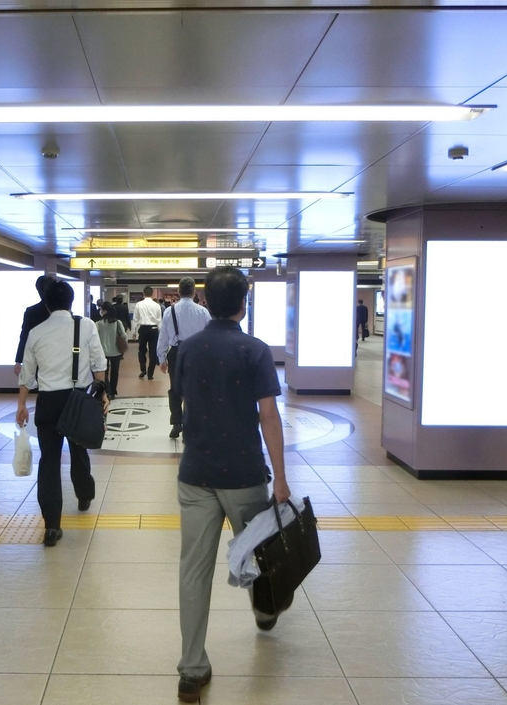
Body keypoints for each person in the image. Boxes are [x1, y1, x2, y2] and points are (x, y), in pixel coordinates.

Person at [172, 267, 290, 704]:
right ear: (245, 302)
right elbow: (269, 417)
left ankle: (191, 669)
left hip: (196, 474)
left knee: (193, 569)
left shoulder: (188, 349)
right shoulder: (254, 350)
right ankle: (263, 609)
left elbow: (185, 398)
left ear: (205, 300)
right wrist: (280, 477)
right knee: (259, 553)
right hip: (243, 475)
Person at [16, 281, 108, 547]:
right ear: (70, 302)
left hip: (47, 401)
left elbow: (27, 374)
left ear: (46, 303)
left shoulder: (36, 332)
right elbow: (98, 363)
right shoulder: (86, 326)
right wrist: (102, 394)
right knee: (79, 451)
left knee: (49, 460)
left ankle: (52, 525)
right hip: (77, 399)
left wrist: (21, 405)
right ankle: (84, 494)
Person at [158, 277, 211, 439]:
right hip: (197, 354)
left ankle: (177, 423)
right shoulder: (203, 312)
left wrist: (161, 358)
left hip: (176, 353)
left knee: (175, 389)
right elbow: (209, 336)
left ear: (179, 292)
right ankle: (190, 425)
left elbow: (163, 336)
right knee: (194, 389)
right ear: (194, 292)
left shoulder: (169, 311)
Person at [13, 275, 55, 376]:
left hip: (38, 356)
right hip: (58, 355)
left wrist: (19, 360)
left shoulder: (31, 312)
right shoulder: (62, 311)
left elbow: (24, 336)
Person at [96, 301, 128, 400]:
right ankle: (113, 392)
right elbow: (124, 336)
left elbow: (95, 338)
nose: (100, 311)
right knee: (115, 372)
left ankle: (107, 390)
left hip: (103, 352)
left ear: (105, 311)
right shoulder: (117, 323)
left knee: (104, 372)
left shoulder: (98, 324)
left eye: (101, 309)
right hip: (116, 352)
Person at [132, 286, 162, 379]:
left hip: (143, 329)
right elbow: (159, 320)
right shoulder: (156, 305)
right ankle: (150, 374)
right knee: (153, 352)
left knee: (142, 349)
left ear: (143, 293)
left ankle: (143, 369)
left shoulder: (139, 304)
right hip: (154, 330)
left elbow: (135, 319)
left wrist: (134, 332)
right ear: (152, 294)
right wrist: (161, 332)